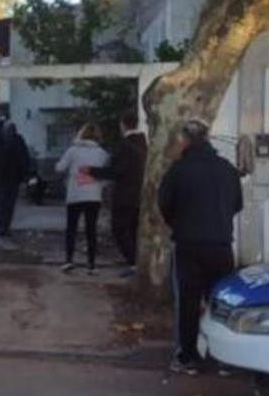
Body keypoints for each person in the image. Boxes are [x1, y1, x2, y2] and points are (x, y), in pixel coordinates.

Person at [158, 119, 243, 375]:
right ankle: (224, 358)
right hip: (220, 243)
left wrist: (180, 223)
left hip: (188, 243)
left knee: (188, 301)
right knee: (221, 302)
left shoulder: (178, 170)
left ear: (184, 139)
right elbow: (237, 204)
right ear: (208, 138)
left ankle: (188, 357)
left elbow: (165, 204)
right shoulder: (227, 169)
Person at [86, 111, 147, 276]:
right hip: (141, 195)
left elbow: (116, 171)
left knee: (119, 229)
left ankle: (133, 262)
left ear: (123, 125)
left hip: (125, 195)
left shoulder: (125, 146)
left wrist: (92, 171)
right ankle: (136, 261)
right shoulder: (144, 143)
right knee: (133, 229)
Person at [55, 123, 109, 274]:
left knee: (71, 228)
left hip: (75, 195)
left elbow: (59, 167)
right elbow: (106, 174)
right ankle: (91, 264)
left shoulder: (73, 150)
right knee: (91, 230)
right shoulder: (102, 153)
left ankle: (68, 260)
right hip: (94, 195)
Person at [0, 122, 31, 237]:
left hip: (11, 178)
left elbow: (24, 159)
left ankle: (5, 227)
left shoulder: (14, 141)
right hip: (3, 178)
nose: (10, 132)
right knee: (4, 204)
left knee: (7, 205)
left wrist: (25, 174)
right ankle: (3, 227)